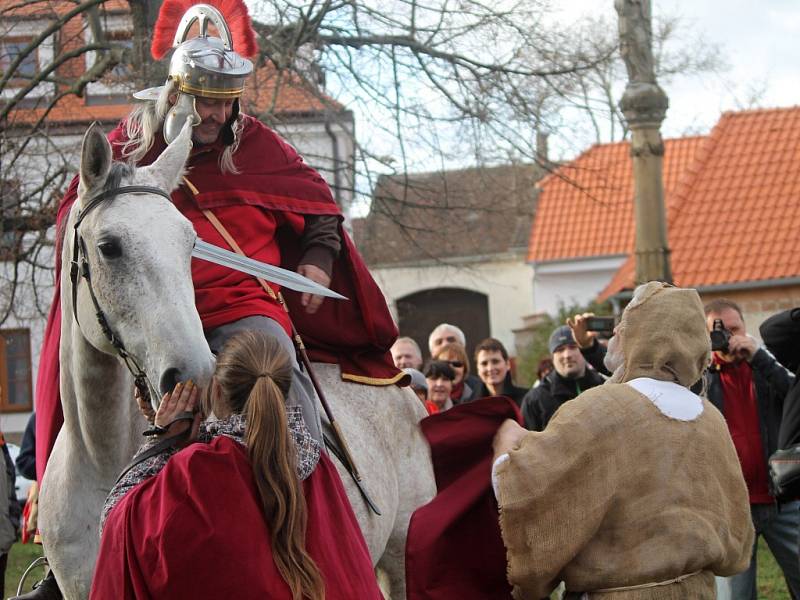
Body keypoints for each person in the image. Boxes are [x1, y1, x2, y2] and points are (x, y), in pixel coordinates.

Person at [33, 0, 403, 555]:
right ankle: (72, 557)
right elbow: (81, 210)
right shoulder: (132, 143)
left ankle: (301, 529)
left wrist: (316, 262)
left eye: (223, 103)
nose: (211, 114)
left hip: (244, 307)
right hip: (153, 307)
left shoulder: (261, 146)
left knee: (269, 384)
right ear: (176, 93)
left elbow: (319, 207)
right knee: (92, 405)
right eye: (201, 101)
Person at [492, 282, 755, 598]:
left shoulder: (601, 408)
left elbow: (535, 492)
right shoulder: (710, 416)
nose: (616, 330)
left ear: (648, 335)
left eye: (627, 321)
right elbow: (737, 528)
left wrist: (505, 447)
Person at [91, 330, 382, 599]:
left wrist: (161, 443)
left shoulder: (196, 470)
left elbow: (118, 524)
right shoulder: (318, 465)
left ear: (216, 390)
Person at [704, 298, 800, 599]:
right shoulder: (700, 377)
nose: (728, 337)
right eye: (718, 331)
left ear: (745, 329)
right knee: (735, 594)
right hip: (731, 509)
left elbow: (793, 394)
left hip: (782, 500)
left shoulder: (766, 366)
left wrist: (759, 357)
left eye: (734, 329)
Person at [520, 325, 605, 430]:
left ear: (583, 349)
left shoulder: (603, 387)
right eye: (560, 350)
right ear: (552, 357)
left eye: (573, 347)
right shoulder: (534, 400)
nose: (567, 355)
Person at [471, 338, 527, 406]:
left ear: (507, 364)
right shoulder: (470, 405)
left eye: (495, 362)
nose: (490, 368)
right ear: (478, 369)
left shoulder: (526, 400)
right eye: (484, 363)